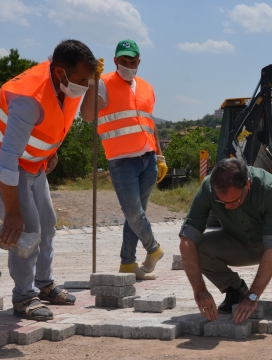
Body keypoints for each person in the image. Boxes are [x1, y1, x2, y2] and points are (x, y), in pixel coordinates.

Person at [0, 40, 99, 321]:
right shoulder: (28, 100)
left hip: (32, 163)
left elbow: (76, 116)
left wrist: (50, 151)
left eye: (88, 79)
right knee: (26, 230)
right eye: (81, 79)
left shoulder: (69, 82)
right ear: (59, 72)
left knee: (47, 223)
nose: (84, 84)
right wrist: (12, 213)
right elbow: (6, 161)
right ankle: (24, 297)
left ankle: (44, 285)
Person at [179, 158, 272, 324]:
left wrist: (253, 296)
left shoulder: (267, 186)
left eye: (234, 201)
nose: (227, 207)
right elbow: (187, 238)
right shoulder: (207, 187)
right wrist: (199, 290)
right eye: (221, 202)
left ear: (247, 185)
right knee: (192, 250)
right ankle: (235, 290)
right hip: (235, 243)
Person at [81, 39, 167, 280]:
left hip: (148, 159)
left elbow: (151, 124)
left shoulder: (147, 88)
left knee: (136, 216)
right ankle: (154, 248)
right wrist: (91, 81)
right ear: (115, 61)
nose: (128, 65)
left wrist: (160, 156)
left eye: (132, 61)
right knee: (134, 214)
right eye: (123, 61)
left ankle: (128, 264)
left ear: (139, 61)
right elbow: (87, 115)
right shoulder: (104, 83)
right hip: (122, 161)